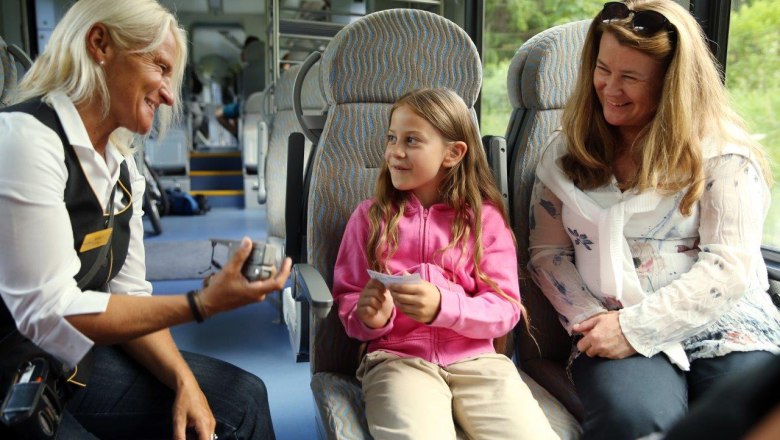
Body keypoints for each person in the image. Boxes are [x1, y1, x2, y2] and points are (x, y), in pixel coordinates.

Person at [0, 1, 291, 439]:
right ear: (100, 44)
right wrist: (201, 304)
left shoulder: (122, 169)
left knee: (241, 399)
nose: (170, 94)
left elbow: (129, 295)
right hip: (12, 378)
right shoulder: (25, 140)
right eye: (159, 66)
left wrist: (184, 380)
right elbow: (48, 313)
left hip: (72, 365)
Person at [527, 1, 780, 439]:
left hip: (723, 320)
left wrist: (638, 327)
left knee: (750, 417)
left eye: (630, 78)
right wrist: (595, 324)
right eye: (603, 69)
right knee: (632, 420)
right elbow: (547, 255)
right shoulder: (564, 152)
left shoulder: (724, 156)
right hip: (608, 320)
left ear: (671, 86)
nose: (609, 87)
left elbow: (728, 266)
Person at [332, 88, 557, 439]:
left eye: (412, 140)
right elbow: (349, 299)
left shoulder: (485, 221)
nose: (395, 152)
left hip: (479, 362)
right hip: (397, 361)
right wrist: (369, 319)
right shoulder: (369, 218)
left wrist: (443, 307)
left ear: (453, 152)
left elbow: (505, 309)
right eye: (392, 138)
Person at [215, 35, 260, 138]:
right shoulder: (270, 68)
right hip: (265, 105)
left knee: (218, 114)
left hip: (245, 106)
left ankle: (237, 134)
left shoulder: (243, 72)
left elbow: (237, 92)